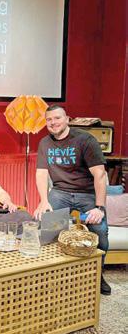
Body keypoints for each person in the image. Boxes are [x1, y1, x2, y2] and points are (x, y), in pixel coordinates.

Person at [33, 105, 111, 295]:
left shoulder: (85, 140)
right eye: (49, 120)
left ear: (67, 119)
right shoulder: (45, 143)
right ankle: (52, 275)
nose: (53, 123)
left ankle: (97, 274)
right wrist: (43, 201)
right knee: (45, 226)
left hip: (87, 193)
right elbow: (41, 173)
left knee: (100, 231)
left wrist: (99, 207)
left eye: (57, 118)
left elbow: (100, 175)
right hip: (60, 191)